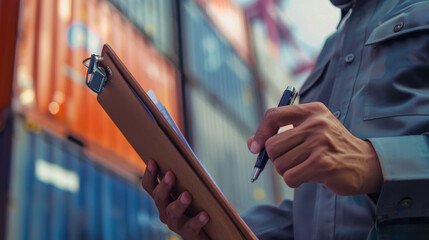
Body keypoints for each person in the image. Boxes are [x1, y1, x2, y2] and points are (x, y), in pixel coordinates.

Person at [142, 0, 429, 239]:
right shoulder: (330, 51)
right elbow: (316, 217)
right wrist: (212, 221)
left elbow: (360, 169)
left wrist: (375, 163)